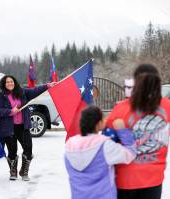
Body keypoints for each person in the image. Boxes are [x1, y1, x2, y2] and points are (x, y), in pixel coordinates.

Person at [105, 64, 170, 199]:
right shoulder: (167, 106)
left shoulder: (120, 109)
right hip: (154, 179)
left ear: (136, 83)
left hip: (124, 180)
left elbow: (106, 144)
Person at [64, 105, 136, 199]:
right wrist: (123, 131)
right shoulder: (105, 146)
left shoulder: (70, 148)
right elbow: (130, 153)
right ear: (98, 124)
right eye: (103, 118)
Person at [0, 75, 55, 181]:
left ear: (15, 82)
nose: (10, 83)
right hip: (9, 128)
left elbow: (35, 91)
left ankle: (24, 171)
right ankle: (13, 172)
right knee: (12, 150)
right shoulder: (1, 95)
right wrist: (10, 112)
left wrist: (47, 86)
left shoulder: (22, 92)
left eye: (11, 81)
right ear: (4, 84)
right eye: (7, 82)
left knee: (28, 149)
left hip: (23, 126)